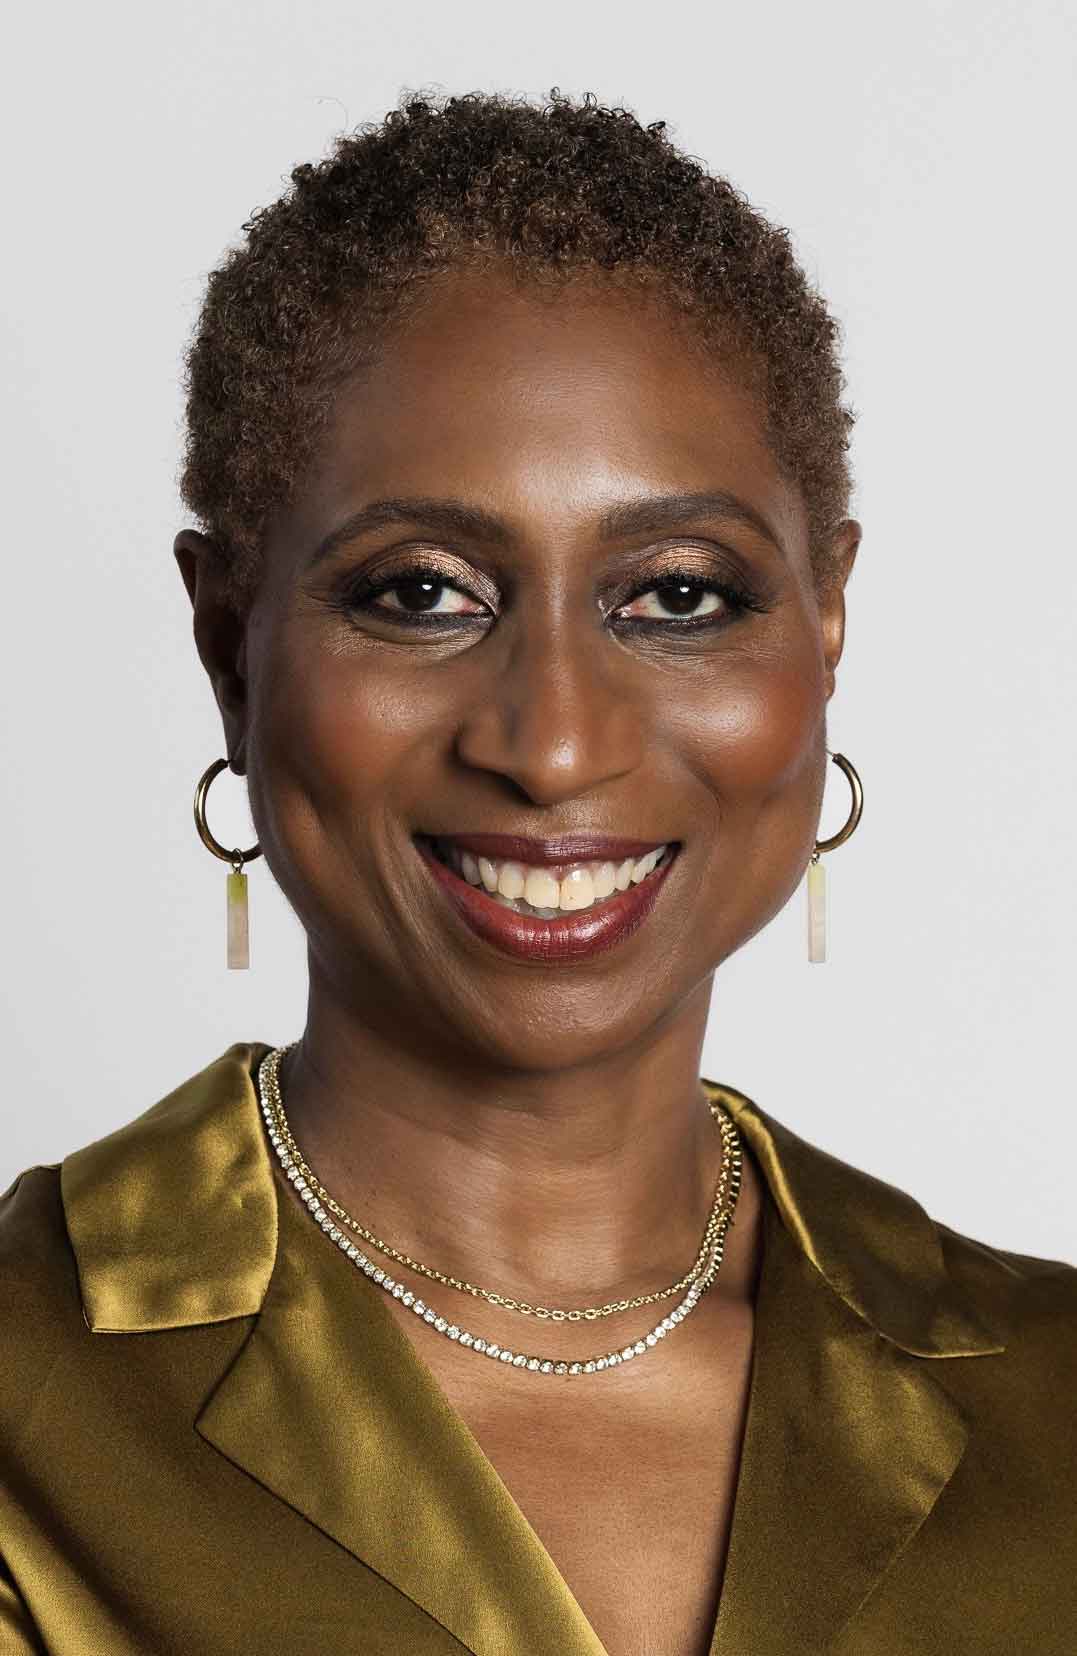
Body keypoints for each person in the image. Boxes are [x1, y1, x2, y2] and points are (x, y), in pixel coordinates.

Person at [1, 89, 1074, 1656]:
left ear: (824, 625)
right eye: (422, 592)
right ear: (229, 644)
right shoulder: (30, 1416)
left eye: (679, 596)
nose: (555, 745)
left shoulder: (1052, 1397)